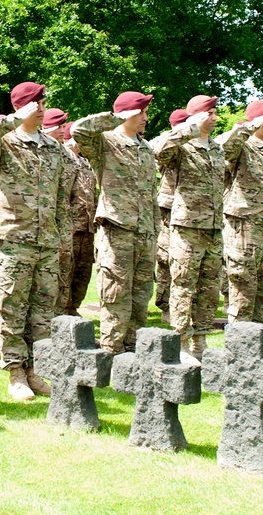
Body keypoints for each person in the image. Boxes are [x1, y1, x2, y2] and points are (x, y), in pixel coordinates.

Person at [0, 82, 70, 400]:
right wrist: (13, 119)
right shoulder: (4, 141)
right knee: (12, 309)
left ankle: (36, 372)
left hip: (46, 241)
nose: (42, 107)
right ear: (22, 106)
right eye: (36, 102)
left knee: (42, 312)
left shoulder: (54, 147)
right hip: (13, 238)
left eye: (43, 101)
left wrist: (61, 235)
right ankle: (15, 374)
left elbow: (61, 196)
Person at [152, 95, 249, 364]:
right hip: (187, 227)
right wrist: (188, 128)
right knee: (183, 284)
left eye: (215, 113)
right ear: (195, 116)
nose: (215, 118)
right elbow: (158, 150)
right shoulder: (181, 146)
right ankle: (181, 341)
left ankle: (201, 340)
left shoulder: (216, 148)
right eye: (210, 113)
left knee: (208, 287)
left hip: (214, 226)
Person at [72, 92, 159, 353]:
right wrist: (114, 117)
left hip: (145, 231)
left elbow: (150, 192)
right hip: (117, 230)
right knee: (116, 294)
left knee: (141, 296)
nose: (145, 117)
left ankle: (134, 349)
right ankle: (112, 350)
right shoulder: (106, 142)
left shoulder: (145, 147)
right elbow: (79, 130)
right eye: (140, 112)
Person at [222, 100, 263, 324]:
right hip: (246, 222)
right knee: (243, 279)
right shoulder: (243, 144)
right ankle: (240, 335)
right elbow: (225, 150)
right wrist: (249, 126)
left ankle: (259, 336)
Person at [153, 109, 189, 321]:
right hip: (170, 207)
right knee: (166, 257)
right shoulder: (168, 141)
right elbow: (160, 150)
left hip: (190, 209)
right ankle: (166, 304)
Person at [43, 108, 79, 318]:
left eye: (63, 126)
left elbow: (69, 193)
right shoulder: (40, 151)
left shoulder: (66, 155)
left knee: (64, 275)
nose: (61, 130)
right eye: (57, 126)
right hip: (42, 224)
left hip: (63, 223)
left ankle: (60, 321)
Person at [62, 122, 97, 316]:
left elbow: (93, 194)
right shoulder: (64, 161)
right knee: (66, 272)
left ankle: (73, 309)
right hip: (71, 228)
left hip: (88, 227)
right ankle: (61, 312)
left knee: (82, 274)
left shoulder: (86, 164)